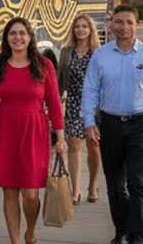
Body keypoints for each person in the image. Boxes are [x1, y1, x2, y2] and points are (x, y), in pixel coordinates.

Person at [82, 5, 143, 244]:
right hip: (110, 124)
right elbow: (90, 90)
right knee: (115, 183)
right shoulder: (100, 55)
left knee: (137, 182)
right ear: (111, 24)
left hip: (141, 125)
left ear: (137, 24)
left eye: (129, 22)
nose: (123, 27)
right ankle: (121, 230)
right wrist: (89, 121)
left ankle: (137, 236)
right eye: (119, 22)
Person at [0, 17, 66, 244]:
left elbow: (54, 103)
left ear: (30, 37)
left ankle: (30, 231)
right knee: (9, 192)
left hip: (34, 131)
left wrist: (60, 138)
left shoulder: (44, 65)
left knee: (30, 194)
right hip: (5, 132)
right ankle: (15, 240)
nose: (17, 37)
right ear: (6, 38)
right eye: (12, 33)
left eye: (22, 33)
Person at [59, 12, 101, 206]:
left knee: (93, 146)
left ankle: (93, 185)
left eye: (84, 26)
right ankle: (75, 191)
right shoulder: (66, 52)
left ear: (90, 30)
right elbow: (60, 79)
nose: (81, 30)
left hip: (94, 105)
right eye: (77, 26)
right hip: (73, 103)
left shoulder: (99, 52)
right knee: (74, 146)